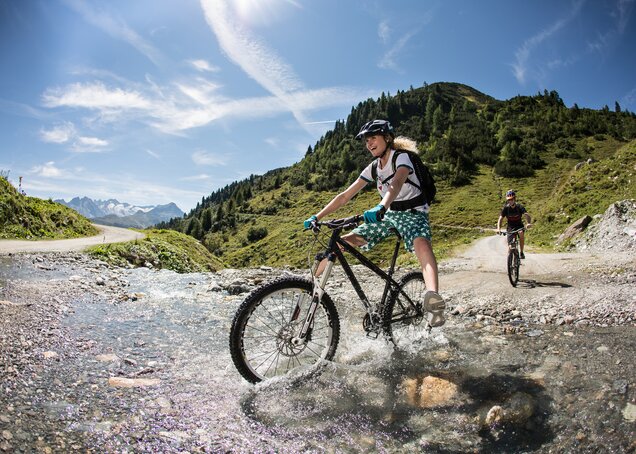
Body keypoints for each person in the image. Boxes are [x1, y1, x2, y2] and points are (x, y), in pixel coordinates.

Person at [303, 119, 446, 327]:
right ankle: (308, 283)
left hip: (414, 213)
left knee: (421, 244)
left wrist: (381, 206)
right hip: (389, 215)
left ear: (387, 138)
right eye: (366, 140)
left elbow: (396, 183)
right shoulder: (373, 168)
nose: (369, 143)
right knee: (344, 241)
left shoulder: (401, 158)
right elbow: (344, 196)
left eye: (373, 138)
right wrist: (317, 216)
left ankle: (433, 299)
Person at [496, 190, 532, 258]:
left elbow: (527, 215)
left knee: (521, 233)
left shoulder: (519, 207)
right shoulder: (506, 208)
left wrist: (529, 223)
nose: (510, 201)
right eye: (508, 200)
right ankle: (510, 260)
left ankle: (521, 252)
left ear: (514, 199)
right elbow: (500, 219)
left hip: (519, 226)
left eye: (511, 199)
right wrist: (498, 229)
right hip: (510, 227)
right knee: (510, 247)